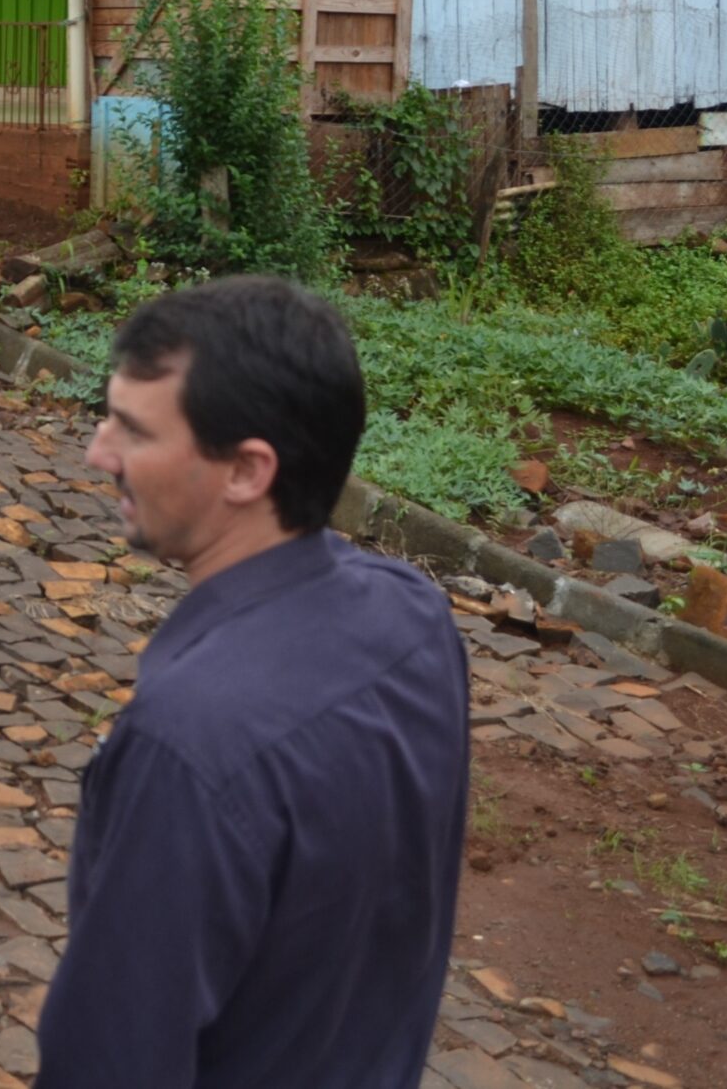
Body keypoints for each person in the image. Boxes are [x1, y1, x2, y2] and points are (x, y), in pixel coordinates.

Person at [36, 276, 470, 1089]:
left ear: (245, 470)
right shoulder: (417, 619)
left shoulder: (187, 743)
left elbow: (109, 1055)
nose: (98, 451)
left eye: (132, 429)